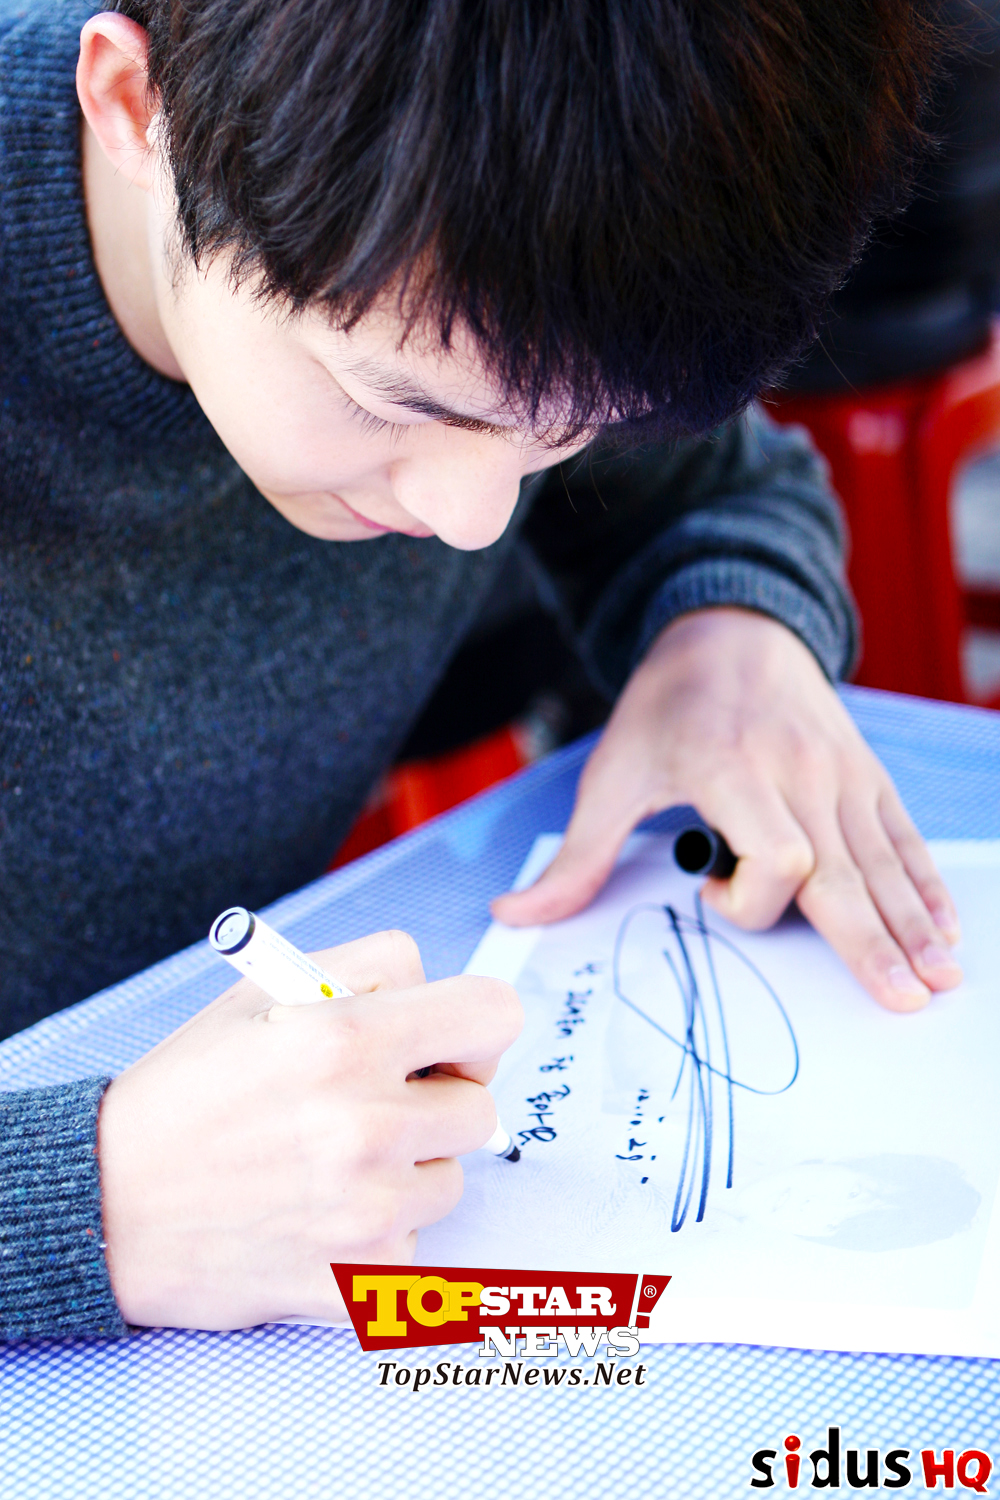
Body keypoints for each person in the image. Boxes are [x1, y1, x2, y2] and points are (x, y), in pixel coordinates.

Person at [0, 0, 960, 1339]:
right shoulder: (340, 179)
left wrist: (727, 632)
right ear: (132, 108)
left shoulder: (485, 275)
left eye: (569, 433)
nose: (474, 519)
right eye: (391, 402)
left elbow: (718, 482)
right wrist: (82, 1200)